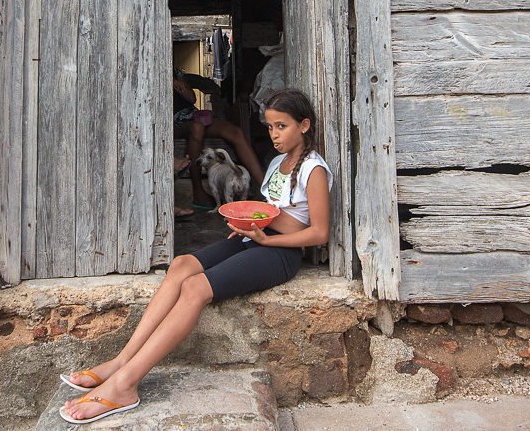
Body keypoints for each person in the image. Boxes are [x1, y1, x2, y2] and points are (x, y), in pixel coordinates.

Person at [59, 88, 332, 424]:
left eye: (282, 126)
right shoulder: (277, 163)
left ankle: (125, 386)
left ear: (304, 125)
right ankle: (120, 362)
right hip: (256, 237)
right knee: (181, 264)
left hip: (281, 253)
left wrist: (265, 236)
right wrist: (248, 225)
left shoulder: (313, 170)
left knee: (195, 288)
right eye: (271, 127)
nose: (274, 135)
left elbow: (319, 232)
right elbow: (269, 209)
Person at [172, 68, 264, 208]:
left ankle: (265, 189)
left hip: (192, 117)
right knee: (197, 128)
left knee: (234, 131)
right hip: (171, 122)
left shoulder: (175, 72)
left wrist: (180, 86)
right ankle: (199, 194)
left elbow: (192, 98)